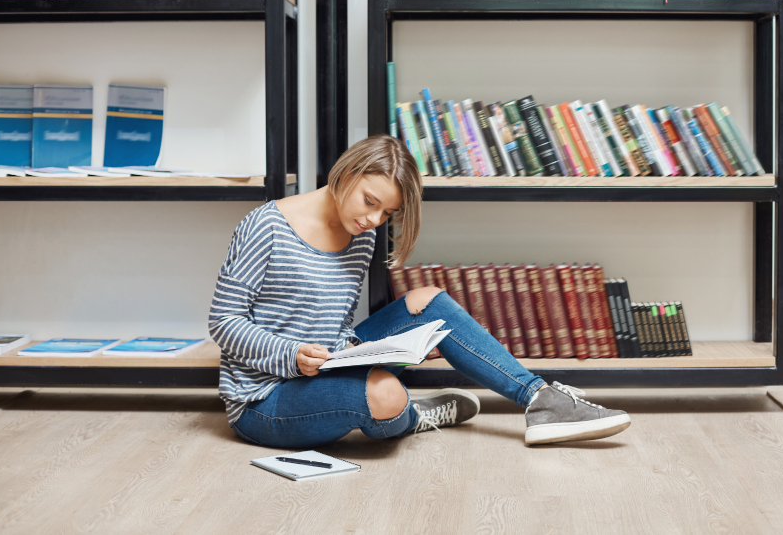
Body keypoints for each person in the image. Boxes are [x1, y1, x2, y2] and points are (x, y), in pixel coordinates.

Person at [209, 134, 630, 448]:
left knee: (426, 300)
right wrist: (290, 353)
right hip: (265, 398)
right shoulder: (265, 226)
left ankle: (541, 399)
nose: (374, 220)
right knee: (387, 395)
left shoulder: (361, 235)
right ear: (346, 173)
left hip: (325, 366)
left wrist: (354, 347)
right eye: (369, 201)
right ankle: (409, 415)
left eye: (387, 212)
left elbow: (334, 320)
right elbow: (223, 321)